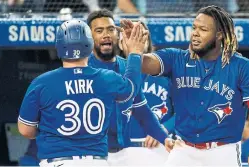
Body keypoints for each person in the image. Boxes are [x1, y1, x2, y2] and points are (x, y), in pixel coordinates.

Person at [121, 5, 249, 167]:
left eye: (203, 29)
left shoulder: (242, 67)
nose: (195, 33)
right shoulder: (177, 58)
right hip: (184, 149)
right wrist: (134, 50)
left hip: (223, 152)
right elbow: (145, 64)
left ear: (219, 35)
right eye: (194, 27)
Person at [17, 19, 147, 167]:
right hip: (96, 162)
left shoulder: (41, 82)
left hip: (58, 162)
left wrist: (49, 130)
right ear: (90, 45)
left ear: (59, 47)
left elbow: (25, 130)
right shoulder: (107, 78)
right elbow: (131, 89)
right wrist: (135, 53)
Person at [86, 9, 169, 166]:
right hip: (90, 154)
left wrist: (165, 139)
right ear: (89, 37)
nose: (106, 34)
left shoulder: (127, 67)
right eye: (99, 30)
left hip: (122, 152)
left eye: (111, 29)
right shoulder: (82, 69)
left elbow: (141, 109)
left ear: (118, 35)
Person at [118, 21, 175, 165]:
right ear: (120, 44)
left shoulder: (166, 74)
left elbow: (186, 110)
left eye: (140, 36)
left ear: (148, 41)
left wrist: (164, 128)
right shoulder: (114, 75)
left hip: (161, 148)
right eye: (131, 36)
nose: (135, 41)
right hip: (124, 150)